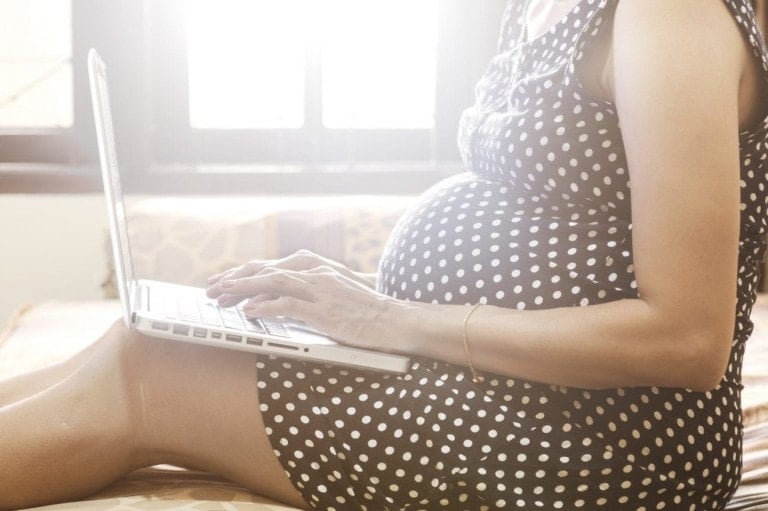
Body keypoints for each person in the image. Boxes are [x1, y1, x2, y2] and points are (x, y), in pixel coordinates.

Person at [2, 0, 767, 509]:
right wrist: (358, 301)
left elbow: (686, 338)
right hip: (508, 379)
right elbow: (569, 243)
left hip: (607, 440)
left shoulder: (670, 13)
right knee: (141, 333)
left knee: (155, 374)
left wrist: (391, 319)